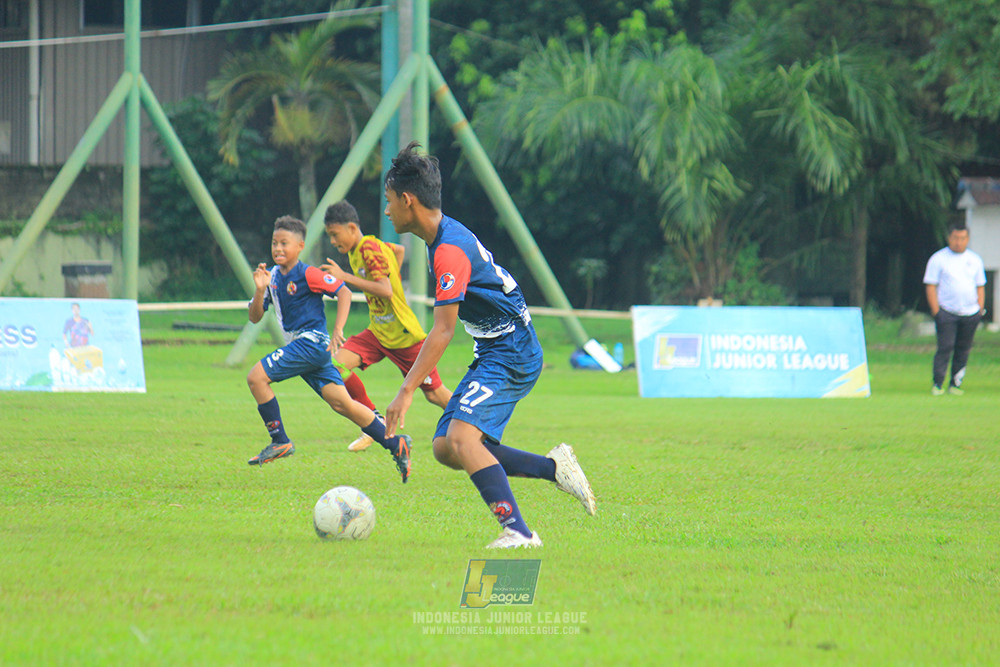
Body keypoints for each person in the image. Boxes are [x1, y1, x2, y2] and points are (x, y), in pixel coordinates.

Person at [381, 143, 596, 549]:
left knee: (463, 440)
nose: (388, 210)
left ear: (408, 201)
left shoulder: (448, 251)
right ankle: (554, 469)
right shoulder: (441, 237)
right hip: (495, 350)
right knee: (447, 448)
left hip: (512, 351)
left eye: (390, 201)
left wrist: (406, 390)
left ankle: (519, 532)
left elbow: (442, 331)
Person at [245, 215, 413, 483]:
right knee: (343, 404)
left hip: (311, 343)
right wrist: (259, 290)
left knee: (256, 378)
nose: (277, 248)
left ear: (300, 246)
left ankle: (280, 441)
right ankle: (396, 444)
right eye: (274, 243)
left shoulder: (308, 273)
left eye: (284, 243)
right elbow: (255, 316)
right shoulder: (272, 278)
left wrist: (338, 330)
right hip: (308, 349)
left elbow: (344, 292)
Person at [320, 200, 453, 453]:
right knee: (335, 366)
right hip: (378, 333)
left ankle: (475, 424)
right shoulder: (365, 247)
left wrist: (345, 277)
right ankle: (373, 419)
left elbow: (385, 290)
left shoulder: (369, 249)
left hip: (404, 336)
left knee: (435, 394)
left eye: (335, 235)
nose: (334, 242)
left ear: (350, 227)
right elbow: (398, 252)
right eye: (330, 237)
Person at [923, 222, 987, 396]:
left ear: (967, 239)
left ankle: (956, 383)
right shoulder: (938, 258)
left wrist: (979, 309)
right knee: (945, 347)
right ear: (949, 238)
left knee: (963, 348)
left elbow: (980, 285)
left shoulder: (974, 260)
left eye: (963, 238)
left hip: (970, 312)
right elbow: (931, 285)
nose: (959, 242)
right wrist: (936, 311)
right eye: (955, 238)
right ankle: (938, 383)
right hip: (947, 312)